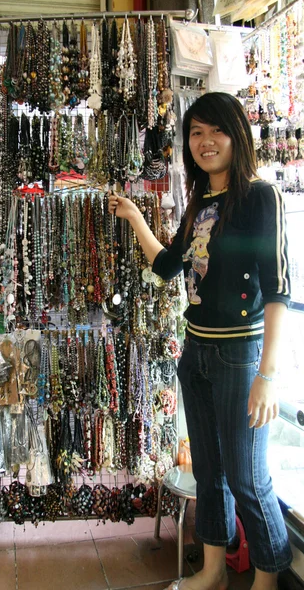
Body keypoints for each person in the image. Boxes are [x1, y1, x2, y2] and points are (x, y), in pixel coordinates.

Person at [108, 92, 292, 590]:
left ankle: (267, 582)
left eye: (216, 131)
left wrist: (268, 375)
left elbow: (279, 291)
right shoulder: (198, 202)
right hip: (196, 351)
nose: (206, 142)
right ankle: (211, 571)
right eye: (196, 133)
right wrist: (135, 218)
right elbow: (167, 266)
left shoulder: (260, 196)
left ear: (238, 135)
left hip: (240, 355)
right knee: (209, 475)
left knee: (249, 480)